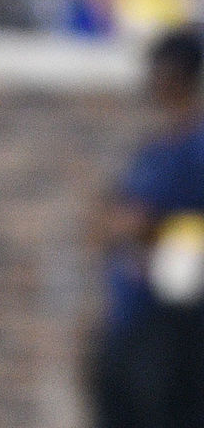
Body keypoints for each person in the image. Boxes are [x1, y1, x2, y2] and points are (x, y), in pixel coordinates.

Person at [94, 25, 204, 428]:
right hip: (134, 314)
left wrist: (141, 227)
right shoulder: (158, 148)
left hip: (176, 324)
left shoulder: (194, 148)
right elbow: (111, 220)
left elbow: (133, 220)